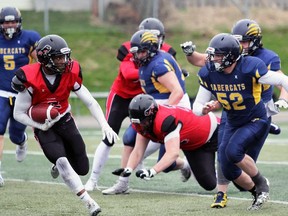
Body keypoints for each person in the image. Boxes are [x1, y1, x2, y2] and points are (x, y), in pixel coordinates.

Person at [181, 19, 288, 209]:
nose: (213, 60)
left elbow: (282, 79)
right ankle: (257, 192)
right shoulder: (209, 73)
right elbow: (196, 106)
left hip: (255, 118)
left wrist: (284, 99)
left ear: (230, 57)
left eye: (218, 56)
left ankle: (261, 184)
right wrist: (202, 109)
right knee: (227, 167)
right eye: (213, 56)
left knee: (233, 151)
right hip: (232, 118)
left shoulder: (250, 66)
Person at [12, 34, 118, 216]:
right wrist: (39, 125)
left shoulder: (71, 71)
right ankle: (88, 202)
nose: (64, 61)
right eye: (58, 57)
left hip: (64, 118)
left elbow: (90, 101)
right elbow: (18, 113)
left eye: (65, 56)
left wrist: (104, 125)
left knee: (83, 168)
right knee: (62, 160)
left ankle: (58, 165)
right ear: (45, 58)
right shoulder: (30, 76)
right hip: (42, 124)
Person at [84, 17, 188, 193]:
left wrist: (163, 112)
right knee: (129, 138)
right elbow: (128, 72)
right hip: (142, 101)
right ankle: (118, 182)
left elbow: (176, 88)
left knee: (166, 160)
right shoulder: (140, 57)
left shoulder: (158, 62)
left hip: (167, 106)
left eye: (156, 36)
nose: (135, 55)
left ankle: (184, 164)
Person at [112, 94, 218, 191]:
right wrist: (129, 169)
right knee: (209, 184)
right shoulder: (142, 124)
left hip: (213, 130)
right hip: (192, 145)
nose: (140, 126)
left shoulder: (165, 120)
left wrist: (152, 171)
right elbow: (138, 150)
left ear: (151, 114)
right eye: (137, 122)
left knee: (229, 162)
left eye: (143, 121)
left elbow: (173, 153)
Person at [0, 6, 41, 187]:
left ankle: (22, 142)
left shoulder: (29, 38)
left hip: (22, 93)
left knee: (16, 134)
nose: (10, 25)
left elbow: (41, 60)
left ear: (19, 22)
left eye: (13, 21)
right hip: (1, 91)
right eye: (6, 22)